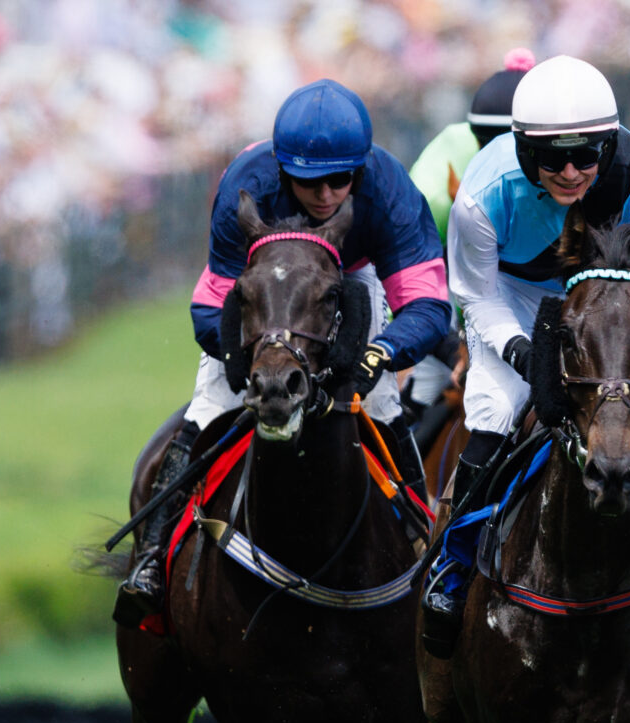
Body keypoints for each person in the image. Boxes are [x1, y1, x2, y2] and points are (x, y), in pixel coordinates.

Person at [423, 55, 630, 652]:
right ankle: (450, 571)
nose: (572, 171)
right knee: (496, 412)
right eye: (553, 158)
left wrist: (612, 349)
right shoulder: (481, 194)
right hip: (513, 295)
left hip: (610, 294)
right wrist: (528, 354)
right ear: (523, 150)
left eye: (587, 155)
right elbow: (475, 297)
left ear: (608, 145)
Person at [113, 79, 450, 628]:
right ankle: (152, 557)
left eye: (339, 181)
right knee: (207, 407)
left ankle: (423, 550)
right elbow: (213, 305)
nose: (324, 196)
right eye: (308, 182)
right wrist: (255, 361)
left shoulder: (388, 189)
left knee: (387, 409)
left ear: (359, 170)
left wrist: (380, 353)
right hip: (262, 296)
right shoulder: (245, 183)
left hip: (349, 282)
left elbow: (429, 304)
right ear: (281, 169)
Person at [402, 49, 535, 433]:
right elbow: (412, 289)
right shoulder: (434, 194)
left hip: (523, 298)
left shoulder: (566, 171)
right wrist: (452, 348)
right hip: (443, 299)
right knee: (408, 403)